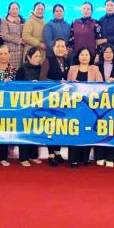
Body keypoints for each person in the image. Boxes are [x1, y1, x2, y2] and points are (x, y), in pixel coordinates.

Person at [66, 47, 103, 168]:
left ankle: (85, 158)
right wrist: (73, 85)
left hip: (90, 107)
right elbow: (66, 87)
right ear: (78, 56)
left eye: (86, 55)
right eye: (82, 54)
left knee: (87, 130)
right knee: (74, 131)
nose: (84, 57)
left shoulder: (95, 69)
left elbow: (101, 85)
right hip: (75, 107)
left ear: (90, 57)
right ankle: (74, 159)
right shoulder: (72, 69)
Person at [40, 38, 70, 166]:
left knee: (60, 125)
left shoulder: (68, 61)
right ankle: (51, 153)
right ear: (53, 48)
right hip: (50, 97)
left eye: (63, 46)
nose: (60, 48)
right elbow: (42, 78)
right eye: (58, 46)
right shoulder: (48, 60)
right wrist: (57, 83)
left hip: (64, 98)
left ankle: (57, 152)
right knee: (51, 126)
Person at [94, 43, 114, 167]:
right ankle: (99, 156)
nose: (108, 54)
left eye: (110, 52)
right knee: (99, 127)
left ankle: (111, 157)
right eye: (106, 52)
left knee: (112, 128)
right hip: (99, 102)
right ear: (102, 54)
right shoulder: (96, 66)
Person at [15, 47, 44, 166]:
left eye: (39, 56)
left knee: (35, 130)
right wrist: (29, 85)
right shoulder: (22, 68)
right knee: (24, 130)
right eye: (35, 56)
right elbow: (16, 86)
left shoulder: (41, 68)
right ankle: (23, 158)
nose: (38, 58)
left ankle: (33, 155)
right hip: (24, 104)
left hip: (38, 104)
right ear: (28, 57)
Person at [0, 1, 25, 69]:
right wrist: (19, 40)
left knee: (21, 72)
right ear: (9, 10)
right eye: (13, 9)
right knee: (11, 71)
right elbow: (4, 36)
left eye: (17, 9)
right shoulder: (4, 20)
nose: (15, 11)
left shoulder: (23, 20)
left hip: (22, 51)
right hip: (11, 51)